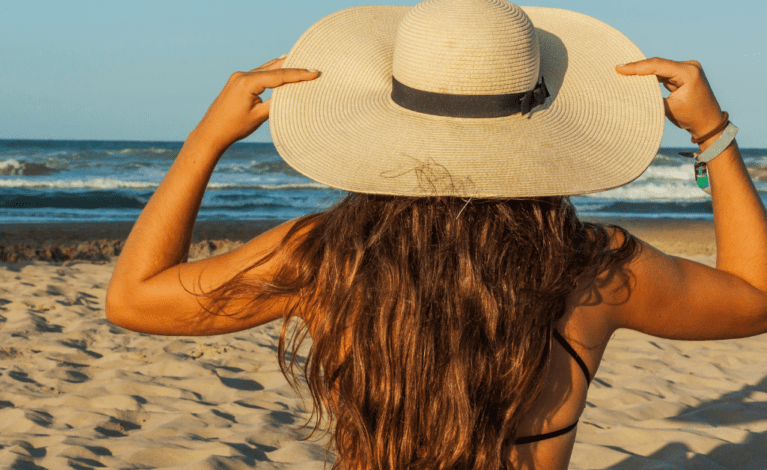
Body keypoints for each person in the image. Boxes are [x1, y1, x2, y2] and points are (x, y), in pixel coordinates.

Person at [105, 1, 767, 469]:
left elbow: (134, 299)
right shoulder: (591, 266)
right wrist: (714, 135)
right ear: (540, 114)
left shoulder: (327, 254)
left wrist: (205, 140)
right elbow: (755, 295)